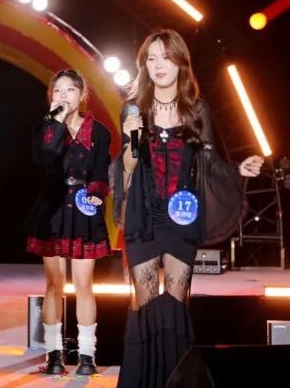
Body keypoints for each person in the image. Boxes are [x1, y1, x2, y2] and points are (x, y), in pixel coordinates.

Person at [113, 29, 263, 388]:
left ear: (181, 63)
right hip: (145, 216)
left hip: (181, 215)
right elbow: (127, 168)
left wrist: (238, 170)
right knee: (145, 300)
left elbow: (210, 162)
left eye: (166, 57)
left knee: (176, 300)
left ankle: (176, 382)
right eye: (151, 59)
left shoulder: (196, 109)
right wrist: (133, 139)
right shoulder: (133, 109)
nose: (158, 65)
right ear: (144, 66)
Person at [25, 69, 112, 376]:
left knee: (85, 285)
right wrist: (56, 124)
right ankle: (54, 354)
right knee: (54, 284)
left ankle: (87, 356)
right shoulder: (44, 129)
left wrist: (97, 193)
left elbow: (101, 172)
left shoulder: (99, 132)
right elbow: (46, 161)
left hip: (83, 211)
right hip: (53, 209)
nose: (63, 95)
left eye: (70, 90)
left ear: (81, 94)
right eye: (57, 91)